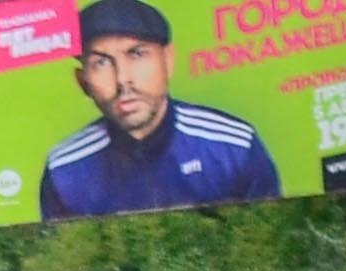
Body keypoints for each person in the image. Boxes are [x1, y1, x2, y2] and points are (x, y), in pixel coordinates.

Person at [33, 0, 279, 214]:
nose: (122, 80)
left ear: (168, 61)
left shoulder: (233, 147)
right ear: (82, 80)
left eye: (137, 54)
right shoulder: (65, 172)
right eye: (101, 62)